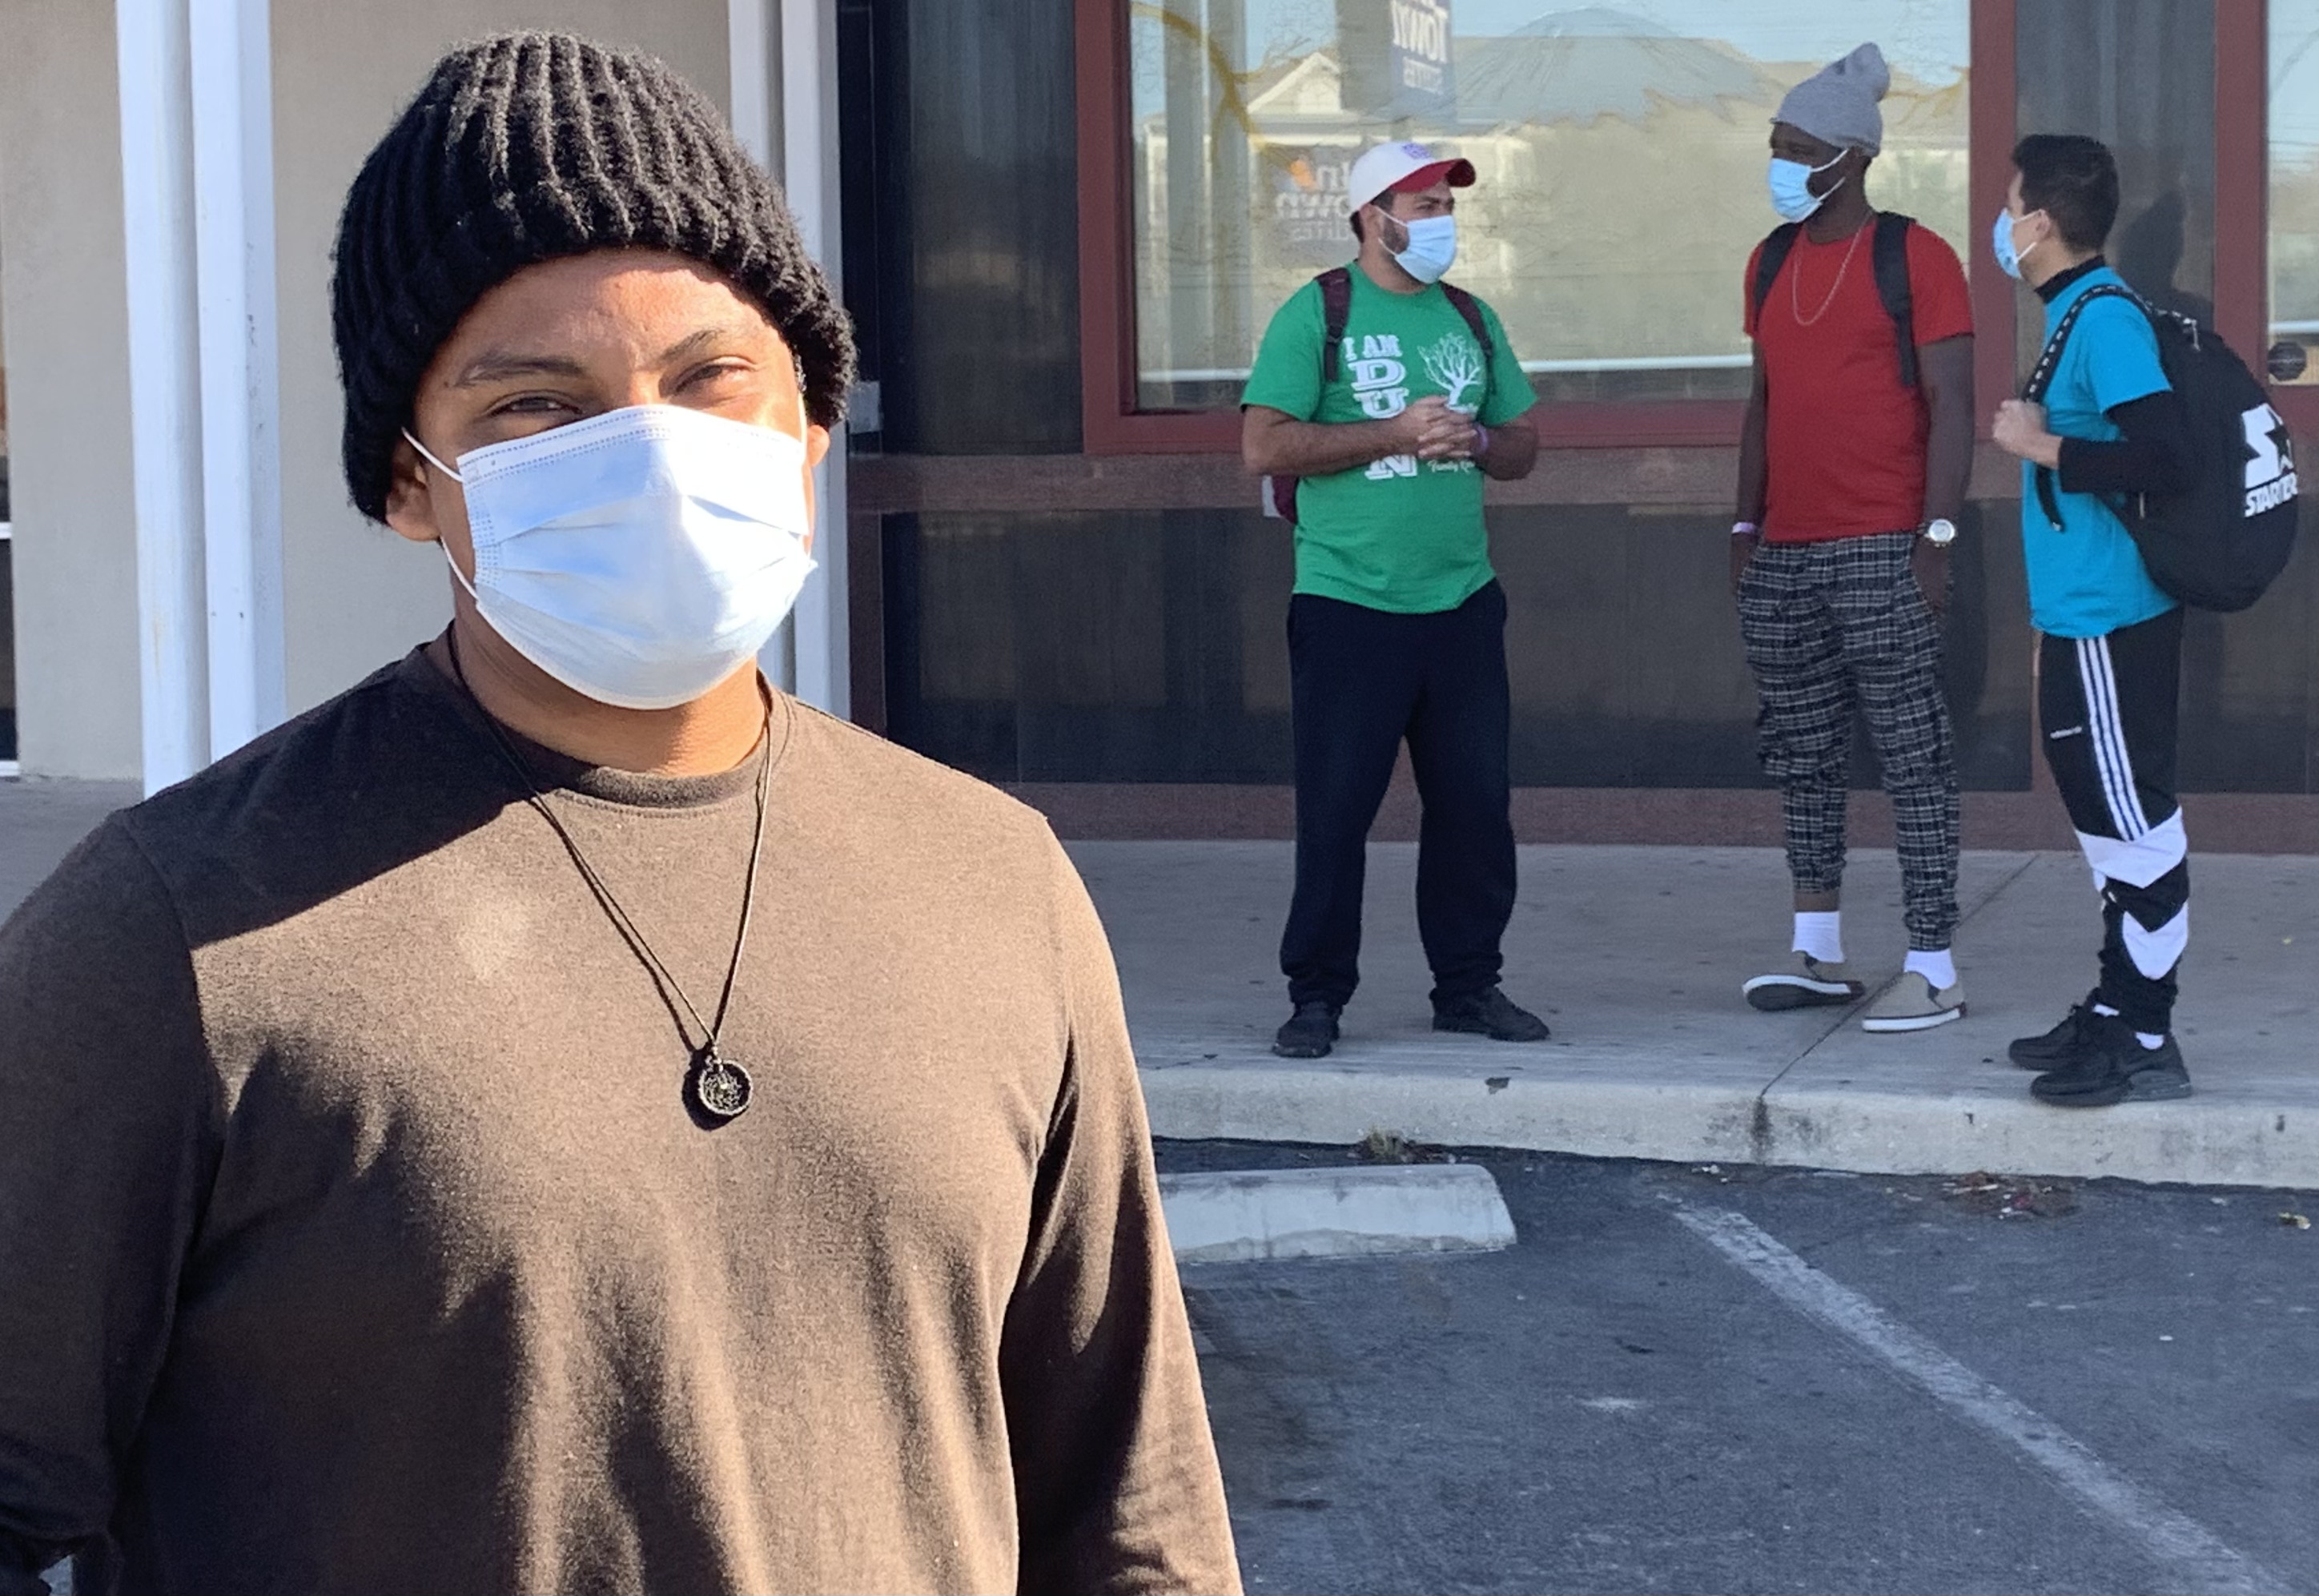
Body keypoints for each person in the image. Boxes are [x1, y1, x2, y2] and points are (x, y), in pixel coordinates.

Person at [0, 34, 1240, 1596]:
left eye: (710, 378)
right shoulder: (176, 932)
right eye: (535, 402)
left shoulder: (996, 883)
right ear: (409, 482)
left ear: (808, 426)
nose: (647, 448)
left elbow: (1129, 1511)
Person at [1240, 139, 1547, 1062]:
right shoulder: (1316, 312)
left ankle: (1468, 985)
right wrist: (1394, 434)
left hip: (1461, 600)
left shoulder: (1470, 316)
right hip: (1348, 601)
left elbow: (1524, 444)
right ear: (1372, 218)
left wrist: (1478, 442)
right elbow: (1264, 445)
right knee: (1337, 811)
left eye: (1447, 205)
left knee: (1474, 807)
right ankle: (1316, 996)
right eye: (1424, 206)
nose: (1441, 221)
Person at [1730, 43, 1978, 1033]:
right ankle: (1817, 951)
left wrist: (1938, 536)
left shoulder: (1914, 255)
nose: (1781, 163)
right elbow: (1761, 402)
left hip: (1885, 543)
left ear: (1853, 157)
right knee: (1802, 754)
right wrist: (1743, 524)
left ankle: (1933, 965)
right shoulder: (1768, 260)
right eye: (1776, 145)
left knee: (1914, 756)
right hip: (1783, 550)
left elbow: (1953, 405)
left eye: (1799, 149)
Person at [1990, 134, 2198, 1108]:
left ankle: (2146, 1033)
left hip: (2117, 617)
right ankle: (2117, 1005)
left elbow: (2166, 457)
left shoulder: (2104, 317)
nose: (2000, 223)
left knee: (2134, 825)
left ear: (2038, 222)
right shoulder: (2074, 311)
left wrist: (2043, 447)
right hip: (2084, 617)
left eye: (2007, 206)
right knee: (2105, 821)